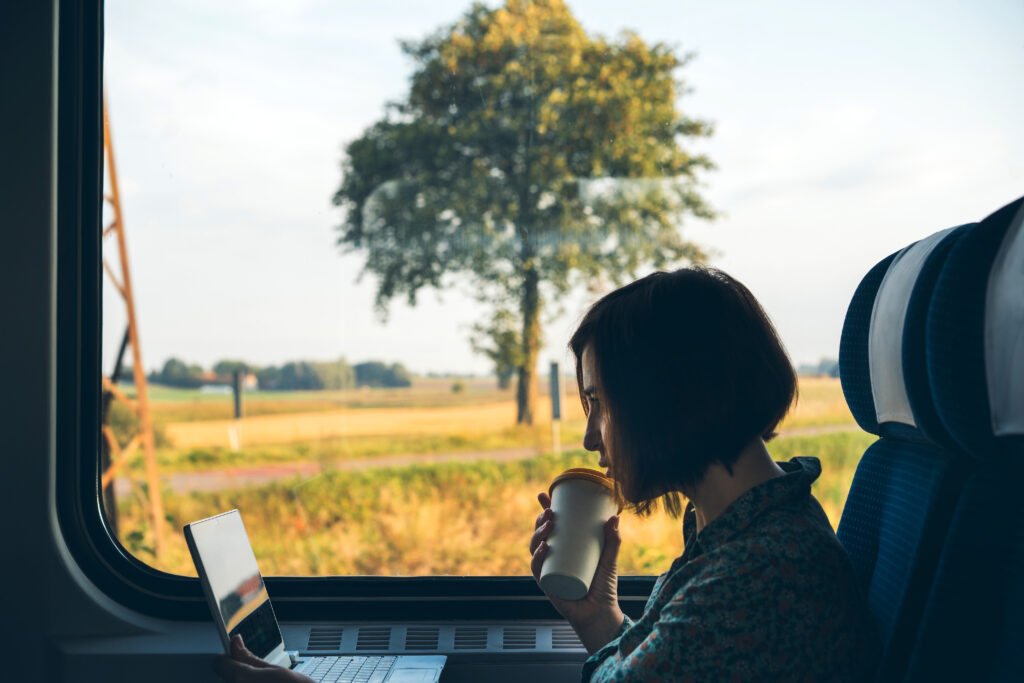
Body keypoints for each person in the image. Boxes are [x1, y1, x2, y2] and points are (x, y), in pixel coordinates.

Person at [529, 267, 877, 682]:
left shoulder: (756, 576)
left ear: (667, 398)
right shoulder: (740, 532)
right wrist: (596, 616)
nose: (590, 437)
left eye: (600, 402)